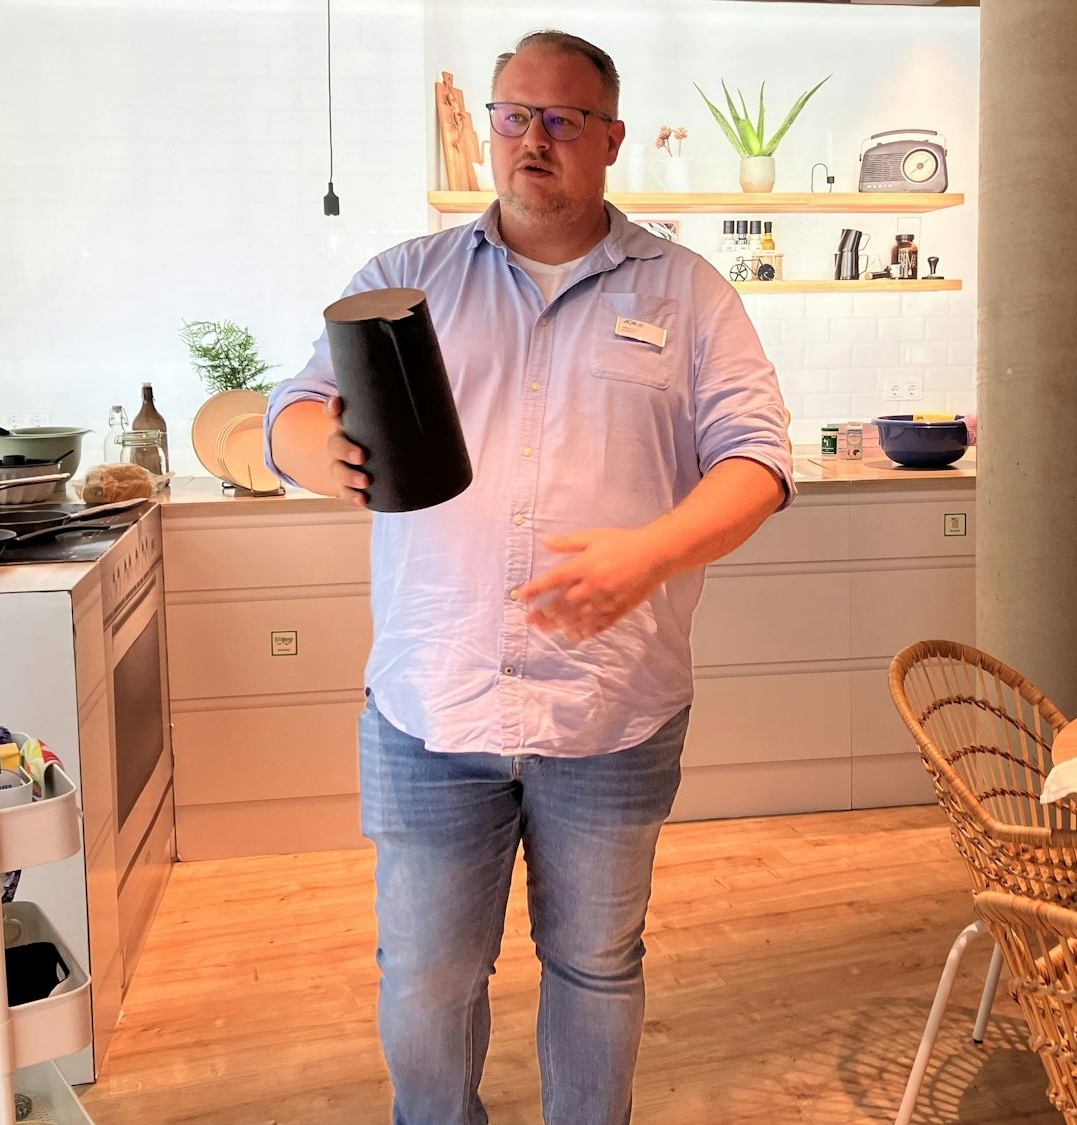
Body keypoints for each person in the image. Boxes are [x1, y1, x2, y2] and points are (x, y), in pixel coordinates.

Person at [264, 29, 791, 1125]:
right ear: (488, 129)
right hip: (429, 707)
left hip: (611, 710)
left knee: (595, 965)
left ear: (609, 138)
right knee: (425, 977)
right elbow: (291, 412)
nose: (533, 139)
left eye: (561, 119)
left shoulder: (688, 293)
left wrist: (651, 551)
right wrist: (320, 452)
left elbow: (757, 460)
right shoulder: (401, 280)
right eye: (514, 115)